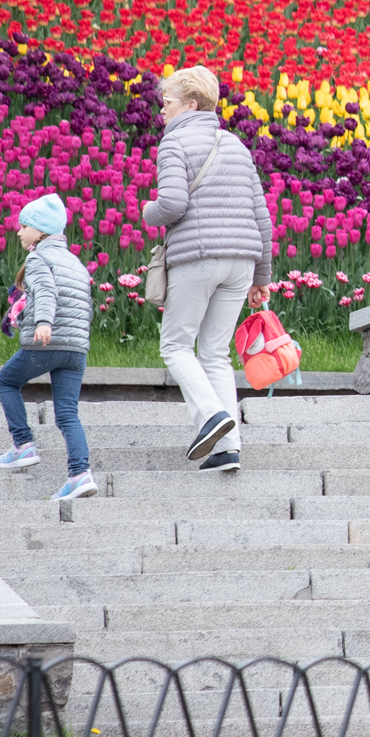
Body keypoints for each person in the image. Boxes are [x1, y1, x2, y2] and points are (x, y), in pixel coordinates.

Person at [139, 65, 275, 474]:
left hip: (198, 257)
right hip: (242, 263)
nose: (162, 109)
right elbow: (262, 216)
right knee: (215, 353)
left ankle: (213, 417)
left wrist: (148, 211)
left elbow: (174, 204)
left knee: (176, 346)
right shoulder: (235, 144)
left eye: (168, 101)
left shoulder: (174, 143)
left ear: (191, 105)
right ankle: (227, 449)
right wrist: (261, 279)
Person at [0, 193, 98, 501]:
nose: (18, 232)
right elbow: (85, 305)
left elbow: (46, 291)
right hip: (77, 348)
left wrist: (43, 323)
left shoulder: (38, 258)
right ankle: (80, 474)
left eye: (23, 226)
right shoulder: (75, 262)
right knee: (67, 413)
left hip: (47, 341)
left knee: (6, 381)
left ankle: (23, 444)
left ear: (39, 232)